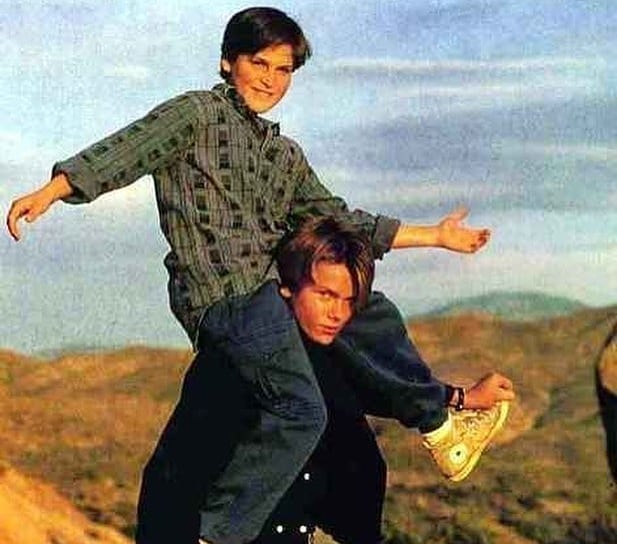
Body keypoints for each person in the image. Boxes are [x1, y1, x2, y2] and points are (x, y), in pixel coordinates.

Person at [5, 6, 513, 543]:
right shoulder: (196, 115)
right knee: (302, 410)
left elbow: (341, 220)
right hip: (225, 297)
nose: (271, 80)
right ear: (228, 62)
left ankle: (441, 430)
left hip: (271, 296)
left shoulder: (284, 155)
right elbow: (127, 150)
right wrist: (52, 192)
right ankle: (220, 536)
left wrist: (435, 236)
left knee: (372, 307)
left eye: (284, 69)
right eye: (259, 63)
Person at [136, 215, 513, 544]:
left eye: (349, 301)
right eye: (325, 295)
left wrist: (462, 398)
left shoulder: (329, 352)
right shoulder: (240, 360)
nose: (337, 313)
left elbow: (385, 388)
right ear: (287, 286)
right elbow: (178, 477)